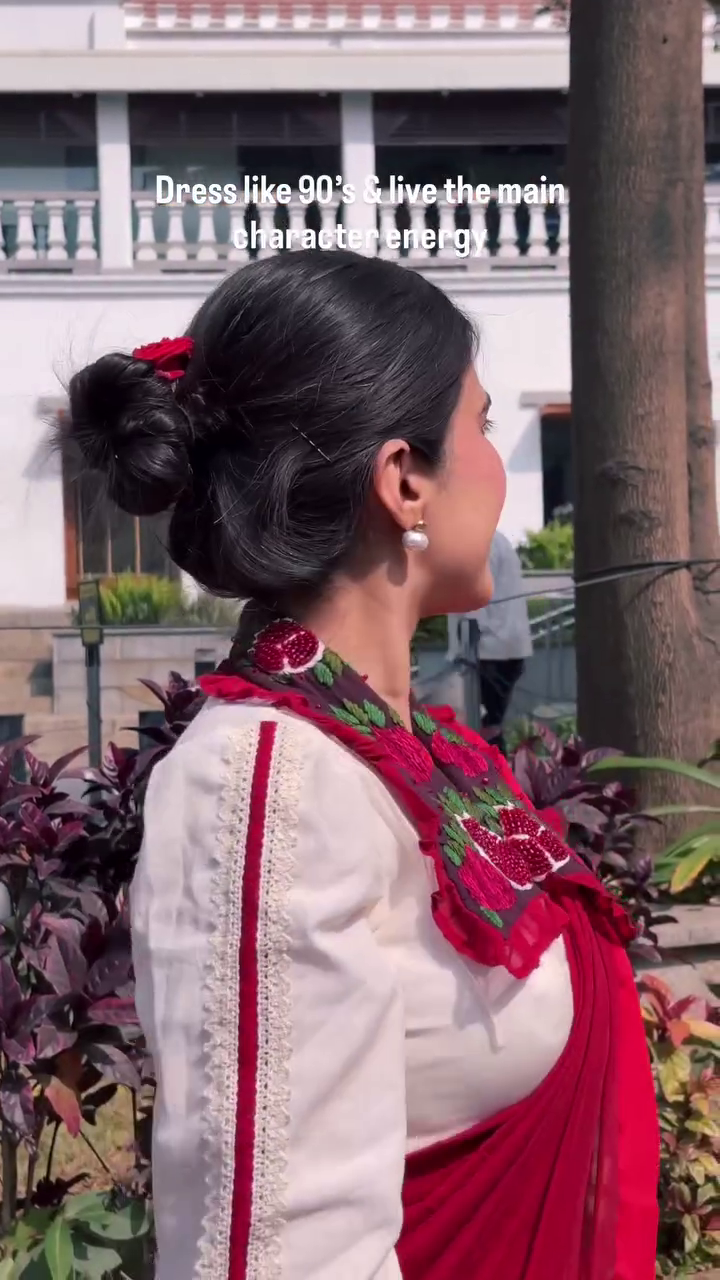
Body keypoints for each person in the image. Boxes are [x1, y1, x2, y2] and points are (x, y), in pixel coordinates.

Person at [62, 250, 659, 1280]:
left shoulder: (409, 753)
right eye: (477, 423)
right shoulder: (268, 784)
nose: (496, 460)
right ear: (405, 478)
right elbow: (283, 1252)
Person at [474, 530, 532, 753]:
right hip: (506, 645)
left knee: (487, 726)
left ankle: (495, 776)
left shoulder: (482, 544)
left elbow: (476, 598)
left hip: (491, 647)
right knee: (492, 723)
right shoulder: (498, 540)